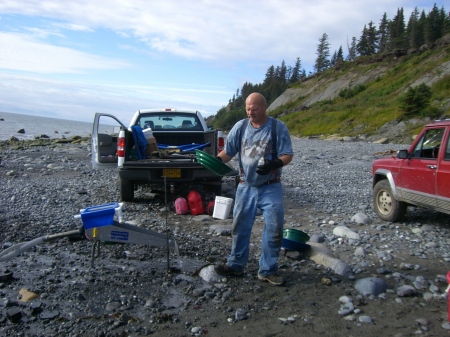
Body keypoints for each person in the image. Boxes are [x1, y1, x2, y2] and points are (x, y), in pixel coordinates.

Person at [215, 92, 294, 286]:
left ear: (264, 107)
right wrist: (214, 161)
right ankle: (235, 264)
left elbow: (287, 155)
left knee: (274, 228)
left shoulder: (277, 127)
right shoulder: (240, 127)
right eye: (248, 109)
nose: (250, 112)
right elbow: (228, 152)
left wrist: (274, 163)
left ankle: (267, 270)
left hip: (271, 186)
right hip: (245, 186)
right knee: (240, 227)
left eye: (254, 108)